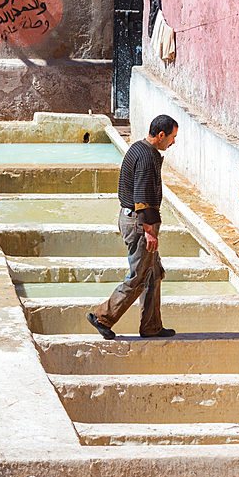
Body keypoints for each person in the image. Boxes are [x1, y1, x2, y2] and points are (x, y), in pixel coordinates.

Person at [87, 114, 179, 339]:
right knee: (139, 276)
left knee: (153, 274)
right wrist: (148, 231)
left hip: (132, 219)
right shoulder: (147, 158)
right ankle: (103, 318)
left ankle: (151, 326)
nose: (173, 142)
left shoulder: (139, 148)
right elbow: (142, 195)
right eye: (172, 137)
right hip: (139, 224)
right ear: (160, 135)